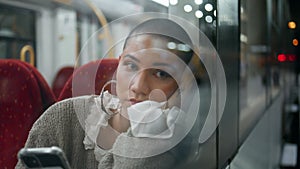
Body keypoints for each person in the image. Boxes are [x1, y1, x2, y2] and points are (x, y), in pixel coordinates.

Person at [16, 18, 201, 169]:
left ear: (182, 85)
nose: (138, 86)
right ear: (119, 64)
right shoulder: (62, 118)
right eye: (131, 65)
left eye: (161, 74)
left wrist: (152, 128)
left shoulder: (183, 145)